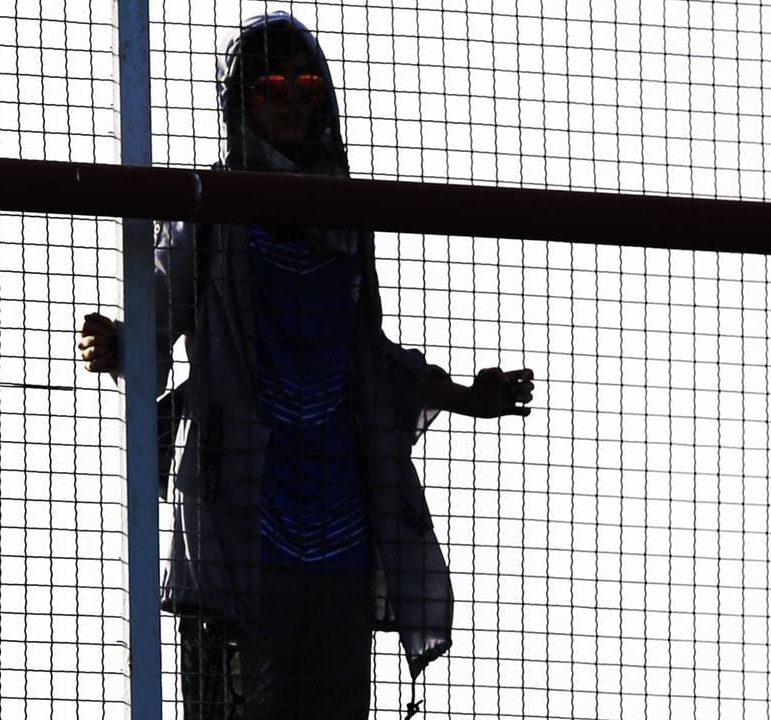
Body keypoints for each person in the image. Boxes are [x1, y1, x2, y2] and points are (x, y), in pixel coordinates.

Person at [79, 12, 534, 719]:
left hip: (343, 522)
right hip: (237, 524)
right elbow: (156, 334)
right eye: (271, 88)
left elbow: (369, 357)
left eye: (306, 85)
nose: (292, 101)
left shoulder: (345, 214)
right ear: (240, 102)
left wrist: (467, 396)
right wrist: (121, 345)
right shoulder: (208, 210)